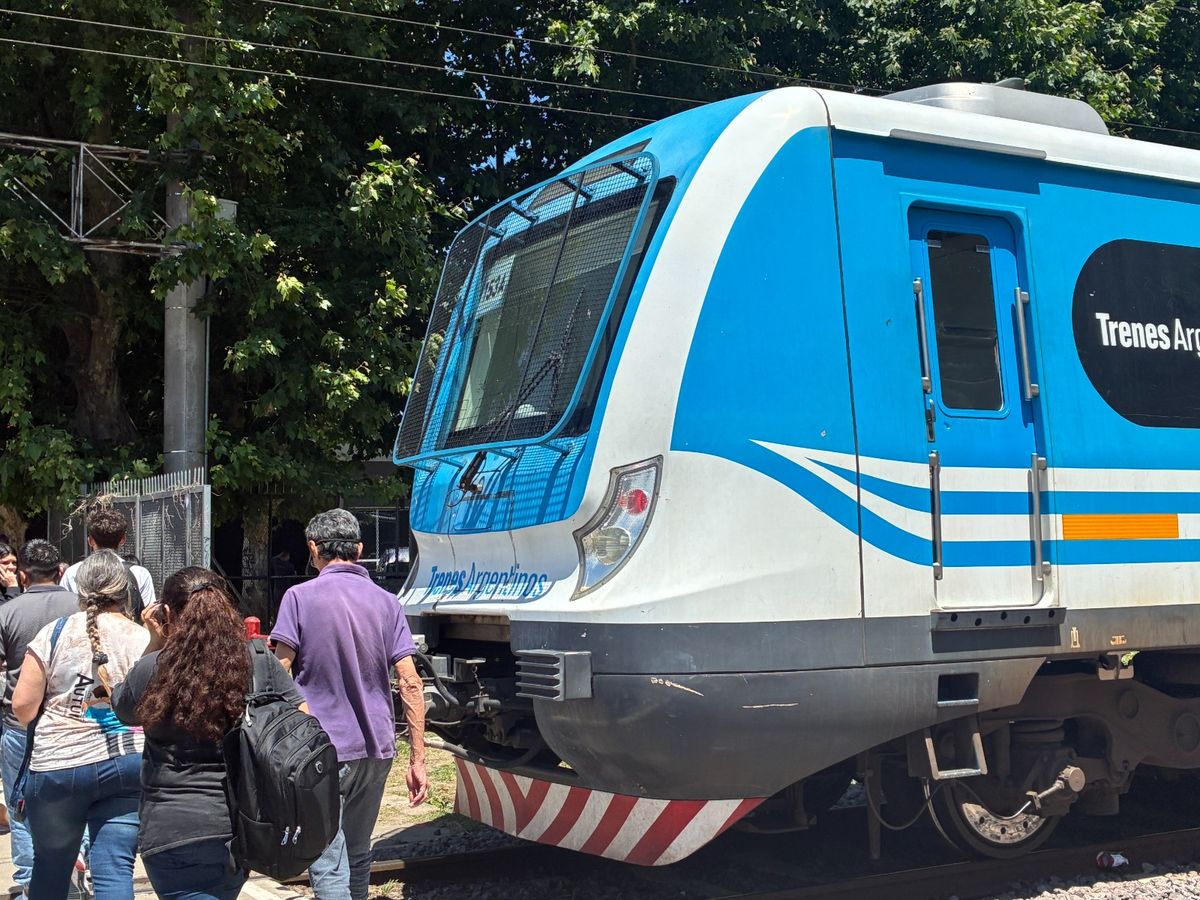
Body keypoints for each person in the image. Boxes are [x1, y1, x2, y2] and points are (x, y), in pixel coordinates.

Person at [112, 567, 306, 900]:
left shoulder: (153, 668)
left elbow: (124, 708)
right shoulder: (258, 661)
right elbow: (302, 719)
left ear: (167, 613)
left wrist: (155, 642)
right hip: (237, 823)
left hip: (168, 827)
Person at [271, 508, 428, 900]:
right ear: (359, 549)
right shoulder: (388, 602)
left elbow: (280, 673)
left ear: (313, 549)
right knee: (358, 853)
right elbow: (410, 682)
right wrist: (419, 759)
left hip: (322, 751)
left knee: (327, 858)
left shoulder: (298, 598)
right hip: (377, 749)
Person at [12, 550, 148, 900]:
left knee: (51, 867)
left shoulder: (54, 633)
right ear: (125, 591)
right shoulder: (143, 638)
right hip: (128, 764)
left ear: (80, 588)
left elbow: (23, 707)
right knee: (115, 869)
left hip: (59, 766)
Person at [0, 541, 83, 894]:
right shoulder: (82, 608)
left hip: (21, 723)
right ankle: (77, 864)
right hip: (74, 721)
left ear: (23, 575)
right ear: (60, 572)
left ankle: (26, 883)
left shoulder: (8, 612)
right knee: (77, 802)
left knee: (21, 805)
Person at [62, 508, 155, 619]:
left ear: (90, 541)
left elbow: (65, 609)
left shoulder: (73, 572)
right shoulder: (139, 573)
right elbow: (149, 616)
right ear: (123, 539)